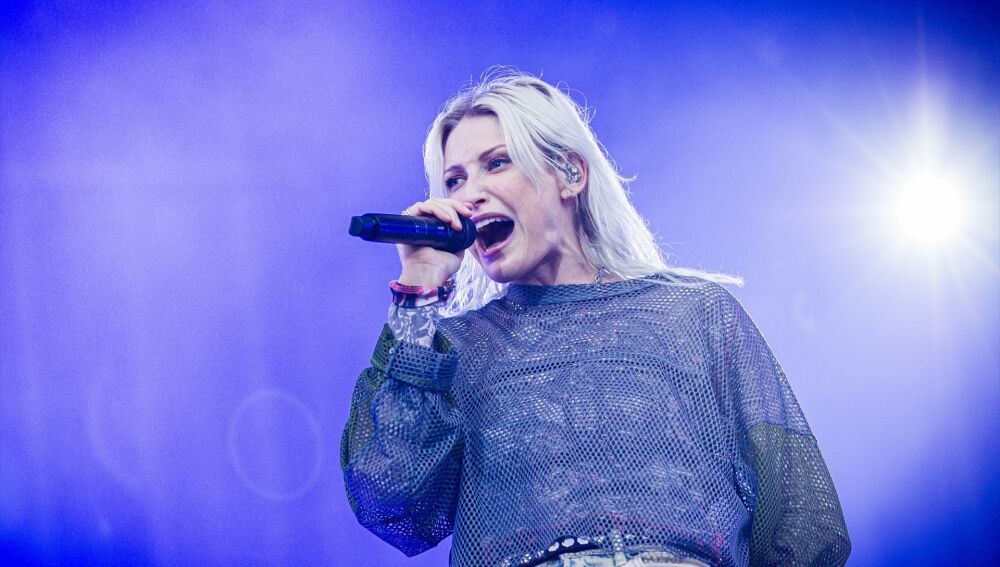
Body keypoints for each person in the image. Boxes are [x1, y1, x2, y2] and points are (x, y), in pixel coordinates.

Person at [340, 70, 851, 567]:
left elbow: (801, 516)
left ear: (570, 174)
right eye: (455, 179)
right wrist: (419, 289)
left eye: (496, 163)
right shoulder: (456, 348)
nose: (467, 195)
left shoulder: (696, 314)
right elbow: (392, 498)